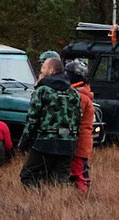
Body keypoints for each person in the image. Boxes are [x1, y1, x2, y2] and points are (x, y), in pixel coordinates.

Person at [21, 52, 82, 187]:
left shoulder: (42, 91)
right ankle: (59, 205)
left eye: (43, 68)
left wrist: (24, 143)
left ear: (51, 70)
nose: (41, 71)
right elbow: (78, 119)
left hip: (45, 142)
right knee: (60, 180)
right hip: (68, 144)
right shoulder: (74, 93)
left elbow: (32, 119)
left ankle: (38, 204)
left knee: (28, 176)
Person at [66, 58, 96, 192]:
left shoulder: (80, 97)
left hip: (79, 142)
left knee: (79, 173)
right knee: (80, 170)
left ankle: (83, 197)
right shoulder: (82, 93)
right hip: (82, 141)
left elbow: (73, 119)